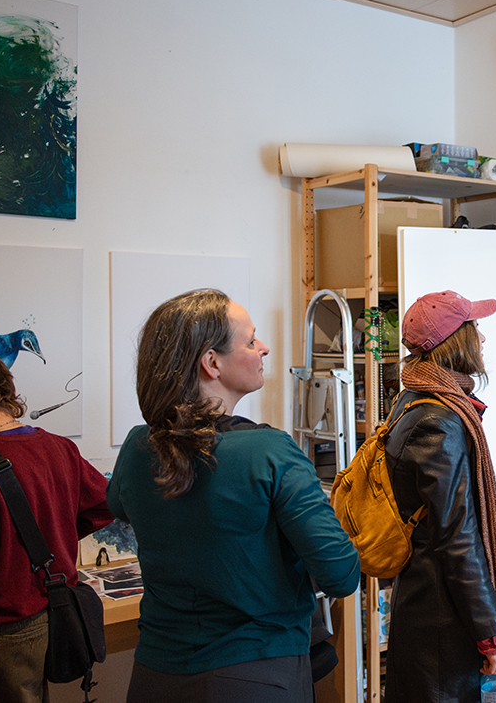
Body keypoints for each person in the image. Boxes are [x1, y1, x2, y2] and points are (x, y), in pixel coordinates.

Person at [107, 289, 360, 703]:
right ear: (212, 363)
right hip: (254, 675)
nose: (264, 348)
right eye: (251, 340)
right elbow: (341, 574)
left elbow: (120, 506)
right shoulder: (269, 452)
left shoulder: (137, 447)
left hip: (155, 676)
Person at [0, 352, 114, 703]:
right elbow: (105, 503)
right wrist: (57, 535)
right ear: (11, 392)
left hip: (3, 631)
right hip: (58, 615)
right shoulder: (61, 448)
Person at [383, 290, 496, 702]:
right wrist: (492, 635)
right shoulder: (439, 420)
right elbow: (457, 539)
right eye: (475, 328)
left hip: (429, 603)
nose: (482, 339)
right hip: (445, 620)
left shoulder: (412, 401)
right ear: (456, 341)